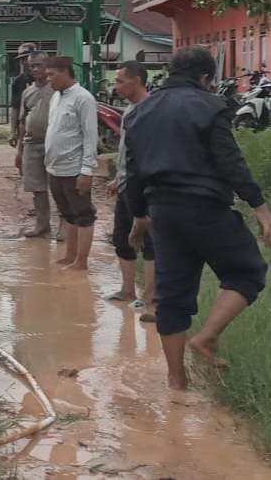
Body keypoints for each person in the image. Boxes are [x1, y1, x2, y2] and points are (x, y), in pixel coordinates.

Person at [125, 47, 271, 390]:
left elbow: (133, 173)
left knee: (172, 295)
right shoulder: (210, 106)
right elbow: (229, 160)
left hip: (162, 211)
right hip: (204, 207)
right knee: (247, 271)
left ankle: (177, 381)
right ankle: (206, 338)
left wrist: (139, 215)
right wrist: (260, 207)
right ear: (206, 78)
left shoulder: (138, 112)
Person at [106, 60, 156, 311]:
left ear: (136, 81)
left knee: (149, 241)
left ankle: (149, 297)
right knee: (122, 237)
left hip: (145, 187)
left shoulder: (150, 110)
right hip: (127, 183)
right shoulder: (129, 109)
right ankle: (127, 290)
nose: (116, 86)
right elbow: (127, 150)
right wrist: (118, 177)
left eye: (119, 81)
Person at [43, 57, 98, 271]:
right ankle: (70, 255)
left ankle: (81, 261)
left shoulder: (84, 98)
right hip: (54, 168)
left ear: (65, 72)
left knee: (83, 215)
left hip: (75, 169)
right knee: (67, 214)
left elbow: (90, 137)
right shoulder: (56, 97)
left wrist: (86, 171)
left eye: (51, 74)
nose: (48, 80)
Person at [14, 52, 53, 238]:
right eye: (32, 66)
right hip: (32, 144)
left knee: (60, 187)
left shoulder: (57, 89)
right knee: (37, 188)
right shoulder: (27, 92)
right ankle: (42, 224)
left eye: (39, 65)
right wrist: (19, 149)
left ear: (48, 65)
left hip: (54, 145)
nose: (35, 69)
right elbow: (23, 121)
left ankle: (64, 225)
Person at [8, 43, 40, 148]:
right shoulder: (19, 82)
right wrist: (12, 132)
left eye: (28, 58)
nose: (26, 62)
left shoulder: (47, 80)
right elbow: (15, 108)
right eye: (23, 59)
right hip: (24, 131)